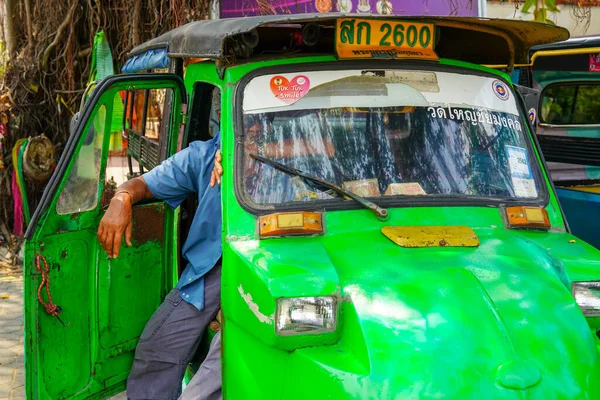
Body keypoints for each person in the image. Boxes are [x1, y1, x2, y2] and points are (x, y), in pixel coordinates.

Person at [97, 89, 224, 400]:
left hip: (270, 269)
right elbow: (144, 183)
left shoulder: (304, 149)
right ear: (221, 117)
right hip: (210, 272)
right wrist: (122, 199)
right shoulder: (205, 156)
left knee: (233, 355)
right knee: (156, 349)